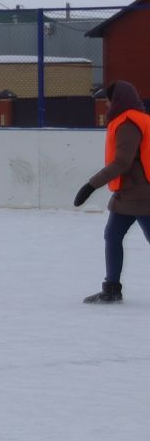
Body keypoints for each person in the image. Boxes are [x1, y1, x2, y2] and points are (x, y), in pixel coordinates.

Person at [73, 79, 150, 303]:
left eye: (108, 101)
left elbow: (122, 163)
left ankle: (112, 289)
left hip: (140, 195)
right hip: (128, 194)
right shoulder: (139, 119)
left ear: (117, 101)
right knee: (112, 235)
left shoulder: (128, 123)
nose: (106, 105)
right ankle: (112, 289)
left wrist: (91, 185)